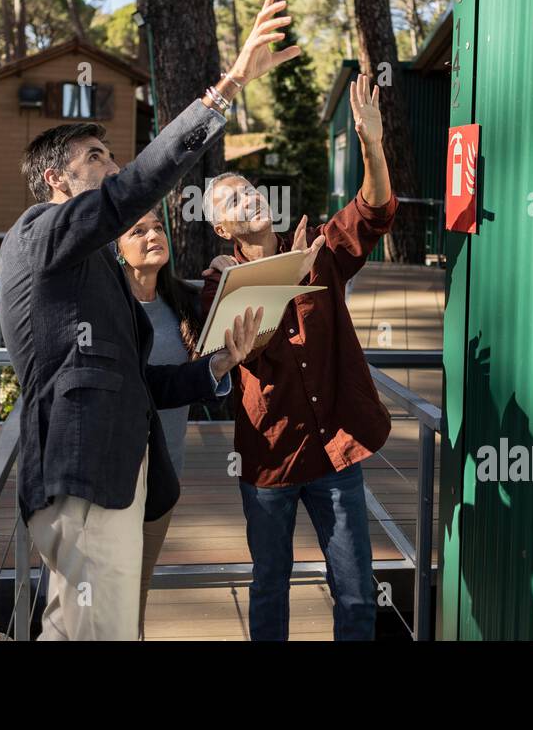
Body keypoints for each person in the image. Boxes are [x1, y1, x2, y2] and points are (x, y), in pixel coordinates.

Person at [0, 0, 300, 641]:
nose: (112, 168)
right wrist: (228, 89)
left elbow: (148, 384)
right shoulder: (39, 234)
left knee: (94, 633)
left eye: (111, 158)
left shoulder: (94, 271)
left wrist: (222, 359)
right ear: (55, 179)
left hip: (126, 475)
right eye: (96, 160)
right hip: (83, 473)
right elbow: (136, 187)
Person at [200, 74, 397, 641]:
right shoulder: (219, 286)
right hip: (269, 462)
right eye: (235, 199)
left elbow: (373, 211)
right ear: (221, 225)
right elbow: (246, 349)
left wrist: (371, 147)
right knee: (269, 592)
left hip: (336, 451)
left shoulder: (318, 253)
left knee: (358, 595)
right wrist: (282, 282)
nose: (251, 198)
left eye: (252, 189)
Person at [114, 209, 209, 637]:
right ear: (116, 251)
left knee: (138, 588)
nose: (154, 234)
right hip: (112, 480)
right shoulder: (108, 311)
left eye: (157, 227)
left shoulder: (182, 302)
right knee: (107, 593)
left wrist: (232, 269)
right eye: (138, 230)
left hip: (165, 475)